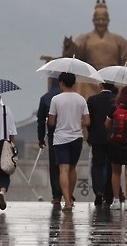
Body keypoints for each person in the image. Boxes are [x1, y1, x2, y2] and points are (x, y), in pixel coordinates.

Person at [48, 72, 90, 212]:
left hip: (60, 138)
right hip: (76, 137)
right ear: (74, 83)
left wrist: (53, 120)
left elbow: (52, 121)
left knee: (63, 170)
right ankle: (70, 197)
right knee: (72, 168)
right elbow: (88, 121)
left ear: (61, 83)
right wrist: (77, 124)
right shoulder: (81, 99)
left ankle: (66, 201)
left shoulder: (56, 99)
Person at [62, 0, 127, 71]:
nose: (101, 22)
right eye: (98, 19)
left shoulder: (119, 40)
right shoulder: (84, 39)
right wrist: (69, 46)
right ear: (93, 20)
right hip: (90, 77)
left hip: (112, 78)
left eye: (103, 19)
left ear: (108, 20)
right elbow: (75, 55)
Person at [87, 82, 116, 206]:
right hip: (113, 138)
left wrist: (91, 134)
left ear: (101, 86)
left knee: (97, 165)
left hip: (97, 138)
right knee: (111, 166)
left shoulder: (92, 100)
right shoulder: (116, 99)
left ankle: (98, 191)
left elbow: (88, 120)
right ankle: (108, 193)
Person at [37, 80, 62, 205]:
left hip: (53, 136)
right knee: (68, 166)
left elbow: (41, 121)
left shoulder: (45, 98)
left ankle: (56, 196)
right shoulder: (72, 96)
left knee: (54, 166)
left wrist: (41, 138)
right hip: (71, 135)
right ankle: (69, 194)